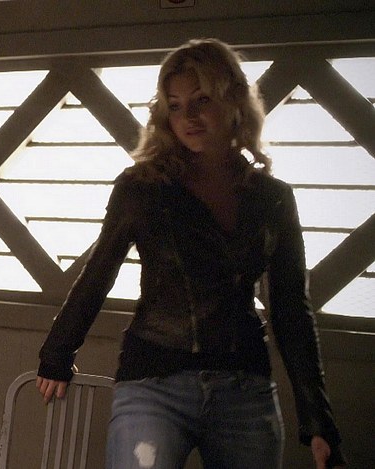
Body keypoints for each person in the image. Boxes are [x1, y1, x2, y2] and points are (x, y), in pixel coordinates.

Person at [36, 38, 345, 469]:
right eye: (176, 105)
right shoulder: (142, 187)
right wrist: (57, 354)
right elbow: (98, 271)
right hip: (153, 380)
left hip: (244, 385)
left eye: (201, 100)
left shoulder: (272, 198)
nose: (188, 117)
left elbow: (291, 306)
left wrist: (318, 419)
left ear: (233, 101)